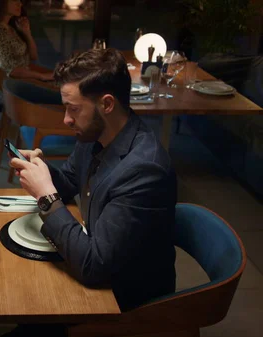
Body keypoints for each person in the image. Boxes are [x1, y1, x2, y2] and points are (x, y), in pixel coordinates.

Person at [10, 48, 177, 314]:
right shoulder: (96, 135)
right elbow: (68, 182)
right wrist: (43, 173)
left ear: (107, 104)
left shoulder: (145, 170)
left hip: (124, 302)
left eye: (73, 109)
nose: (66, 120)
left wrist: (45, 196)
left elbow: (93, 266)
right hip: (96, 277)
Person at [0, 0, 54, 81]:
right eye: (14, 0)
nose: (20, 4)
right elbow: (11, 71)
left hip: (26, 76)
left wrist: (27, 33)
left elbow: (33, 56)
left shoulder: (9, 28)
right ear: (2, 3)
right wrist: (42, 76)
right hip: (16, 85)